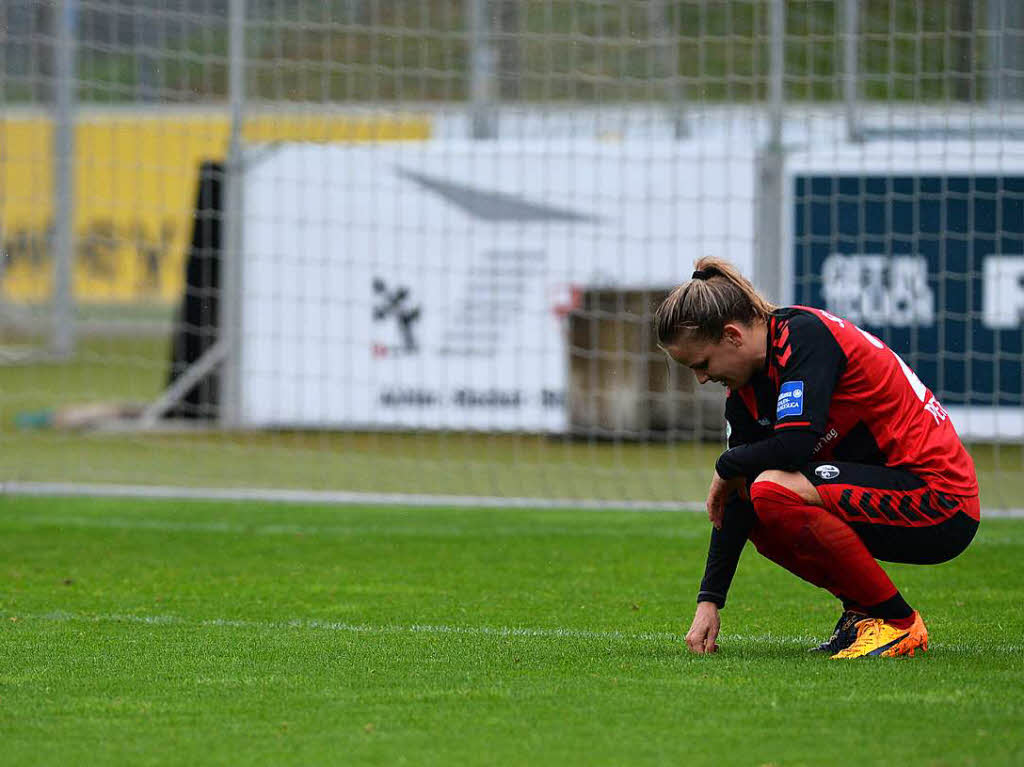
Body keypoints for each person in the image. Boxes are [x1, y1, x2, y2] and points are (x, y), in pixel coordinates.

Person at [654, 257, 980, 659]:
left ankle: (897, 623)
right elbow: (736, 496)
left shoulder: (804, 337)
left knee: (774, 490)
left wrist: (726, 465)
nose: (701, 378)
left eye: (701, 364)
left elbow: (792, 446)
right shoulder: (745, 389)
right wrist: (710, 600)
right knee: (757, 501)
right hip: (887, 490)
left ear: (733, 336)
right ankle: (864, 615)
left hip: (940, 502)